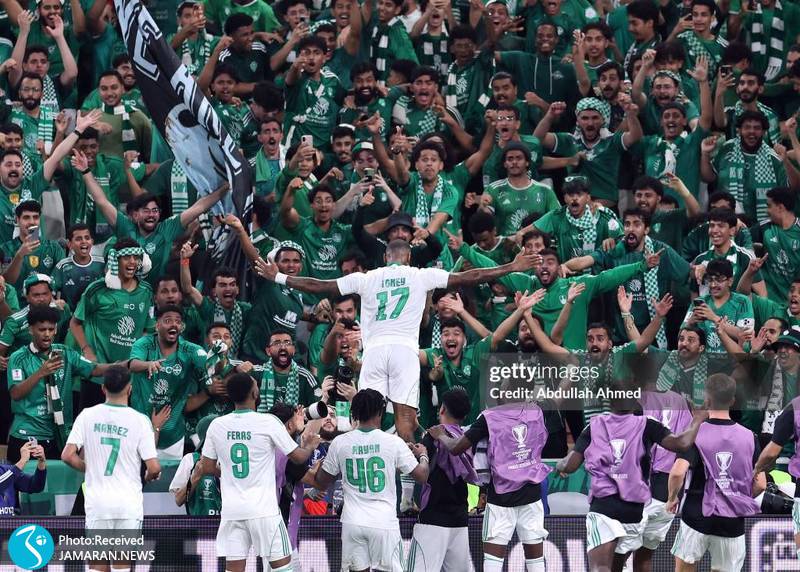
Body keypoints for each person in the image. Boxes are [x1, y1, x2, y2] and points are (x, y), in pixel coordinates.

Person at [255, 240, 539, 442]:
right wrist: (511, 266)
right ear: (409, 258)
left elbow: (319, 285)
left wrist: (278, 276)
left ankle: (368, 476)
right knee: (406, 423)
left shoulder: (366, 278)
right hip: (405, 351)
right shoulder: (420, 275)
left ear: (385, 258)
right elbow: (471, 276)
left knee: (366, 419)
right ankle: (408, 492)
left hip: (375, 351)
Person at [556, 382, 707, 572]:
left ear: (610, 401)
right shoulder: (648, 425)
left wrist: (560, 466)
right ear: (635, 401)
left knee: (601, 567)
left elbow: (569, 465)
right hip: (633, 511)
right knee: (618, 567)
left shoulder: (594, 425)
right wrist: (697, 420)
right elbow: (682, 443)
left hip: (604, 506)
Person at [200, 372, 319, 572]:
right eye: (256, 384)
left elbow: (207, 467)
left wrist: (229, 474)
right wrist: (309, 446)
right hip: (265, 511)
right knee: (283, 569)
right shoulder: (268, 422)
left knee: (234, 570)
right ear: (254, 393)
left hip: (233, 512)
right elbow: (298, 457)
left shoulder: (217, 425)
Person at [311, 388, 429, 572]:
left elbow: (321, 481)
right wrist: (423, 455)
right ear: (380, 412)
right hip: (383, 523)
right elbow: (422, 476)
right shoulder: (393, 442)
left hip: (352, 523)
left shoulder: (340, 443)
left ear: (354, 413)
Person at [61, 366, 161, 572]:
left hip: (98, 503)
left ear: (103, 388)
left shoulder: (87, 415)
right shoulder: (140, 420)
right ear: (130, 389)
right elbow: (153, 467)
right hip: (127, 504)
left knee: (97, 565)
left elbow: (67, 455)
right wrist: (149, 475)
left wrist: (89, 468)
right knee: (121, 566)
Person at [667, 373, 766, 571]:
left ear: (707, 399)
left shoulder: (695, 434)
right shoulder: (750, 437)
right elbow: (761, 484)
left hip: (696, 516)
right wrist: (737, 497)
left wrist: (672, 498)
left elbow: (678, 472)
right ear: (732, 401)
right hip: (732, 522)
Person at [7, 305, 123, 463]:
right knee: (27, 479)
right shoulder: (18, 358)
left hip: (59, 436)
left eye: (51, 329)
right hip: (27, 434)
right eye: (42, 329)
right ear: (31, 330)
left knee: (57, 479)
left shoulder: (65, 353)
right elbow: (16, 393)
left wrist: (121, 366)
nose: (47, 334)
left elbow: (94, 369)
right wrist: (41, 372)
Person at [128, 305, 209, 460]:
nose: (174, 324)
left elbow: (210, 364)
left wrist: (232, 365)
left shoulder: (189, 350)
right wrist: (148, 364)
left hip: (173, 434)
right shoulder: (144, 344)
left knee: (168, 475)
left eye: (178, 321)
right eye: (168, 321)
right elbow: (132, 364)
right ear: (157, 325)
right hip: (140, 429)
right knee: (139, 473)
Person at [0, 439, 46, 516]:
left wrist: (41, 461)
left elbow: (36, 486)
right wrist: (23, 461)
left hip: (11, 522)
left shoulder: (6, 470)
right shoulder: (11, 472)